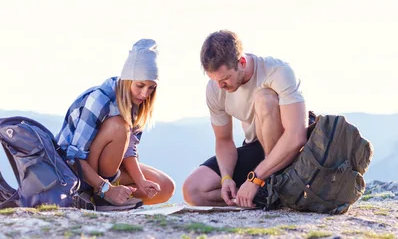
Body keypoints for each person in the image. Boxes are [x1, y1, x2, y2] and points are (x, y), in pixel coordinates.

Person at [182, 30, 309, 208]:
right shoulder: (216, 87)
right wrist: (226, 178)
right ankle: (265, 197)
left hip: (287, 147)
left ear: (242, 62)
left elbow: (296, 136)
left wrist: (256, 178)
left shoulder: (277, 72)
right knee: (193, 191)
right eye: (214, 79)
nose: (220, 86)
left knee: (264, 98)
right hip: (255, 146)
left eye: (225, 78)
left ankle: (273, 184)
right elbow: (223, 139)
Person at [56, 39, 175, 210]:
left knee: (165, 187)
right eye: (140, 85)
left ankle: (108, 197)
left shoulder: (137, 103)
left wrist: (140, 181)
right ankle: (99, 195)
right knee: (119, 126)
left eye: (151, 87)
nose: (145, 93)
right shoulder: (99, 99)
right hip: (75, 171)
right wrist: (106, 188)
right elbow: (73, 157)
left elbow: (128, 149)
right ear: (128, 80)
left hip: (108, 170)